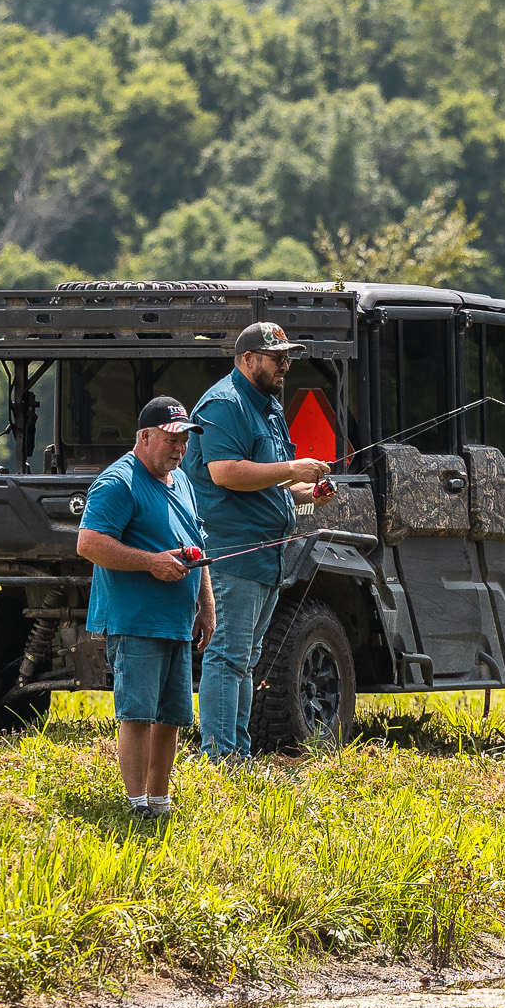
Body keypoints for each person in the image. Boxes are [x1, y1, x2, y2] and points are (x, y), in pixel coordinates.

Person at [185, 321, 333, 761]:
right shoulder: (225, 404)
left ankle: (237, 753)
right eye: (277, 358)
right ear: (248, 359)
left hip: (267, 556)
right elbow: (225, 471)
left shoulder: (266, 405)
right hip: (232, 552)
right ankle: (219, 755)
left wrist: (307, 490)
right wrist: (293, 469)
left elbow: (270, 480)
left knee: (246, 658)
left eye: (288, 358)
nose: (285, 366)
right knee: (227, 655)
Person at [74, 394, 214, 819]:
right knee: (136, 714)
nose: (180, 448)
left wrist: (206, 603)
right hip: (135, 620)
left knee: (171, 716)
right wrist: (150, 563)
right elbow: (89, 543)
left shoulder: (183, 481)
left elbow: (196, 545)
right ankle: (135, 805)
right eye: (172, 439)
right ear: (145, 436)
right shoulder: (118, 482)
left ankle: (159, 800)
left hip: (176, 620)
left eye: (185, 439)